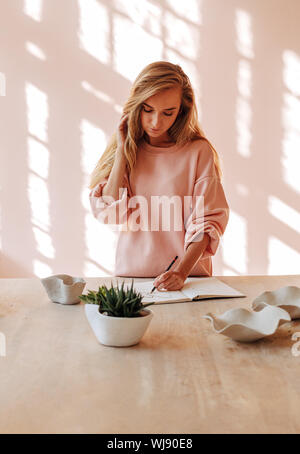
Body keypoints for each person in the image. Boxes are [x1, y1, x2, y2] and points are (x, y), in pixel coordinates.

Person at [89, 61, 229, 291]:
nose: (156, 122)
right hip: (133, 282)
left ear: (182, 111)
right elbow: (110, 213)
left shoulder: (198, 152)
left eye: (168, 112)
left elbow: (207, 223)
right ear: (137, 106)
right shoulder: (128, 152)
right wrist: (123, 153)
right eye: (148, 110)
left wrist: (180, 273)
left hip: (190, 282)